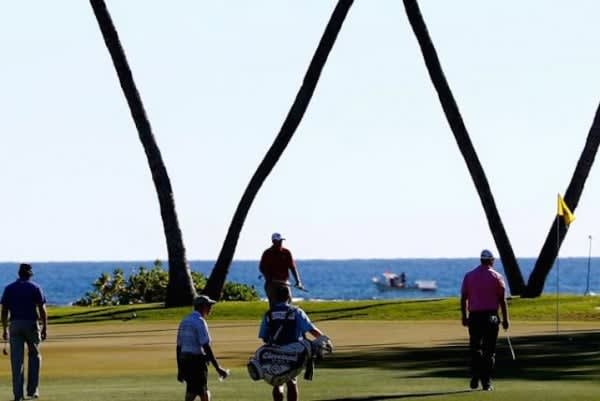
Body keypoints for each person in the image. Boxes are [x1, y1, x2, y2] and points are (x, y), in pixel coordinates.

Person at [258, 285, 326, 401]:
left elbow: (264, 336)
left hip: (274, 351)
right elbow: (311, 330)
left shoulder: (269, 314)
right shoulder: (296, 312)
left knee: (277, 382)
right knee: (292, 382)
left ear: (275, 297)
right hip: (293, 353)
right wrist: (324, 339)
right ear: (288, 296)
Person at [460, 249, 510, 391]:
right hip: (491, 317)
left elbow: (464, 298)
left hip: (474, 317)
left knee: (476, 349)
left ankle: (476, 375)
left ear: (481, 260)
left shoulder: (469, 276)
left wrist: (464, 316)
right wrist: (506, 319)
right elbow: (502, 300)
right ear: (491, 260)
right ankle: (486, 382)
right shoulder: (497, 276)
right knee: (489, 351)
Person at [1, 263, 47, 401]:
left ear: (19, 274)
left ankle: (17, 394)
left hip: (14, 325)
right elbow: (42, 309)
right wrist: (45, 327)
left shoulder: (9, 288)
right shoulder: (35, 288)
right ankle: (32, 391)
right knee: (34, 356)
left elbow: (4, 311)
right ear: (30, 274)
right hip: (31, 325)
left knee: (16, 361)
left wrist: (4, 329)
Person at [176, 295, 229, 401]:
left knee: (192, 390)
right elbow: (206, 346)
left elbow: (179, 347)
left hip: (185, 361)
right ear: (202, 307)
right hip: (196, 361)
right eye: (208, 306)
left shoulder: (184, 321)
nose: (210, 308)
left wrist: (180, 368)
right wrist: (217, 367)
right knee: (202, 392)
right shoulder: (200, 321)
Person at [259, 232, 303, 304]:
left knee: (288, 303)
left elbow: (292, 267)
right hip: (271, 284)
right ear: (273, 241)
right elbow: (262, 268)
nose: (280, 243)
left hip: (284, 282)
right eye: (278, 241)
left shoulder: (286, 252)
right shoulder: (267, 253)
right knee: (274, 305)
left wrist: (298, 281)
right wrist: (268, 277)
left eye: (281, 241)